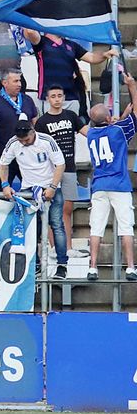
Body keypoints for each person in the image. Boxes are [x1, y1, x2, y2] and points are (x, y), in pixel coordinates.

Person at [0, 116, 68, 278]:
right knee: (31, 229)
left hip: (50, 188)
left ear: (33, 131)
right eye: (21, 140)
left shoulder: (47, 141)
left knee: (57, 225)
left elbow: (60, 164)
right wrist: (5, 184)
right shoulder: (13, 143)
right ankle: (35, 264)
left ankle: (62, 265)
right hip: (28, 191)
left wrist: (52, 186)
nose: (24, 142)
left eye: (27, 139)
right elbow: (3, 164)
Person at [85, 72, 137, 280]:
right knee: (126, 227)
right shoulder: (117, 131)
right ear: (108, 118)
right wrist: (132, 87)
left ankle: (92, 267)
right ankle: (131, 267)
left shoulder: (90, 134)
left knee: (96, 228)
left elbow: (111, 128)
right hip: (119, 184)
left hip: (99, 185)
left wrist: (122, 117)